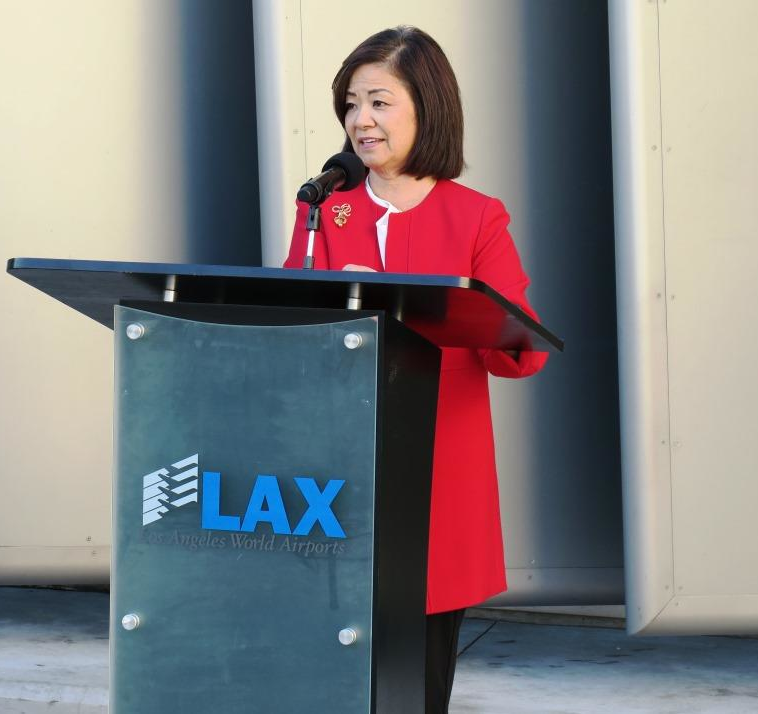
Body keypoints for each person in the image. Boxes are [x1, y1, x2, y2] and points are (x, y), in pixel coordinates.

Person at [282, 26, 548, 714]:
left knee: (415, 681)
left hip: (437, 475)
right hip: (334, 474)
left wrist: (439, 308)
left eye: (379, 102)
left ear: (427, 107)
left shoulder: (476, 217)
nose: (360, 120)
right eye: (350, 104)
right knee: (326, 675)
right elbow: (287, 329)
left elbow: (518, 348)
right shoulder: (324, 208)